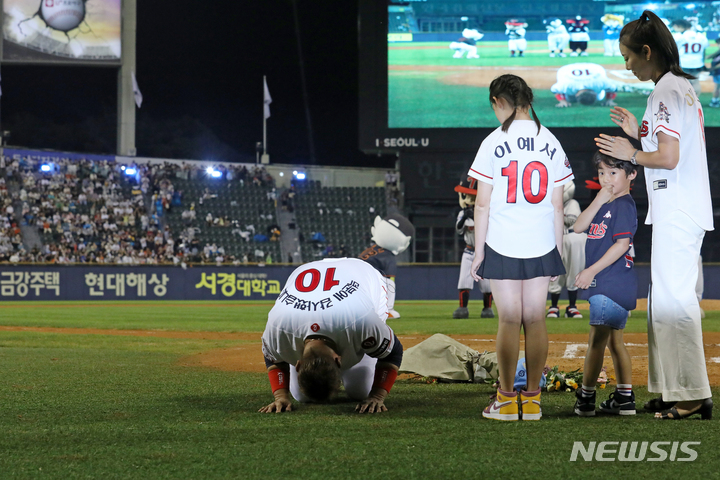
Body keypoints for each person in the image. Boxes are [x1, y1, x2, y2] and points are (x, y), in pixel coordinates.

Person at [595, 10, 713, 420]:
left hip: (678, 208)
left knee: (674, 302)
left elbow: (668, 156)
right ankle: (670, 389)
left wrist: (631, 151)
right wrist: (637, 132)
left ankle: (693, 395)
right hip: (682, 207)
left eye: (628, 56)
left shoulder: (665, 91)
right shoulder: (678, 86)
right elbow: (667, 147)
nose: (625, 64)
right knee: (663, 300)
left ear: (647, 51)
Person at [469, 74, 572, 421]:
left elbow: (481, 205)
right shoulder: (552, 141)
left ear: (499, 102)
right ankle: (532, 401)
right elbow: (558, 205)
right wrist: (557, 250)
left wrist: (479, 251)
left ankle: (506, 399)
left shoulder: (493, 141)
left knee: (509, 318)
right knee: (535, 318)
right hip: (542, 242)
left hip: (502, 241)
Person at [259, 258, 403, 414]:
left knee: (360, 391)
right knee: (302, 396)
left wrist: (377, 396)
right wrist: (280, 396)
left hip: (365, 275)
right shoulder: (278, 326)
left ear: (298, 365)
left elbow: (393, 351)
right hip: (312, 274)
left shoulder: (361, 320)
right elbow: (273, 357)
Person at [572, 152, 638, 417]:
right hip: (613, 282)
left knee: (596, 342)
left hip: (610, 281)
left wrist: (590, 271)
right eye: (602, 173)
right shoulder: (606, 203)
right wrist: (600, 196)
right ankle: (624, 398)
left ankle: (586, 398)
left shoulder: (624, 205)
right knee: (614, 342)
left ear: (631, 174)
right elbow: (578, 227)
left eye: (613, 173)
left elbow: (622, 245)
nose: (606, 178)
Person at [453, 174, 493, 319]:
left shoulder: (488, 213)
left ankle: (487, 308)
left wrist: (476, 216)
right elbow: (458, 229)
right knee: (464, 281)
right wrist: (465, 217)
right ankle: (463, 308)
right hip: (469, 251)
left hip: (484, 252)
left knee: (487, 284)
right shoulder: (462, 213)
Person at [547, 181, 586, 319]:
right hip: (556, 239)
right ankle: (553, 306)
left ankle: (572, 307)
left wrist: (554, 215)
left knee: (573, 272)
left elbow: (570, 220)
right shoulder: (548, 204)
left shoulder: (572, 203)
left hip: (573, 238)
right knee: (555, 273)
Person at [551, 63, 618, 108]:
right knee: (599, 97)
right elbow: (613, 88)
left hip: (594, 68)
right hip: (567, 69)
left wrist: (609, 100)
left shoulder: (600, 83)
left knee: (599, 97)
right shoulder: (567, 84)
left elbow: (554, 89)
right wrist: (609, 100)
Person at [671, 18, 708, 96]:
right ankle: (696, 100)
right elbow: (704, 50)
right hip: (698, 63)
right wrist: (702, 61)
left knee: (684, 82)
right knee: (695, 81)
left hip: (684, 63)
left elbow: (673, 50)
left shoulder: (679, 36)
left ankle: (687, 102)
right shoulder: (701, 36)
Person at [706, 37, 720, 108]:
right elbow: (709, 56)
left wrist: (712, 68)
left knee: (717, 87)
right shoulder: (718, 52)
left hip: (718, 72)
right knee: (717, 87)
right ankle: (715, 100)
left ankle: (715, 101)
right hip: (717, 72)